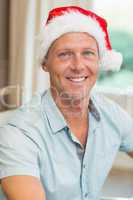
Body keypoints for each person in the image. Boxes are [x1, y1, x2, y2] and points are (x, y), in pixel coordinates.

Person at [0, 6, 133, 200]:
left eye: (87, 53)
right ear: (45, 63)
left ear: (99, 62)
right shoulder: (18, 134)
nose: (78, 66)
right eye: (64, 54)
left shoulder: (111, 113)